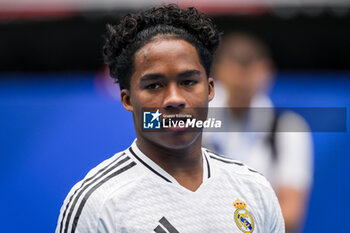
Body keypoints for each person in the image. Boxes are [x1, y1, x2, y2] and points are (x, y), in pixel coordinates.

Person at [56, 5, 285, 233]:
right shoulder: (99, 202)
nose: (174, 99)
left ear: (210, 89)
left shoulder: (254, 189)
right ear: (127, 100)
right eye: (154, 85)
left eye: (188, 82)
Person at [203, 32, 313, 233]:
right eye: (235, 67)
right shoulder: (193, 125)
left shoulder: (289, 128)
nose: (242, 78)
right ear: (218, 73)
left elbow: (290, 215)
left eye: (249, 67)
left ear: (266, 71)